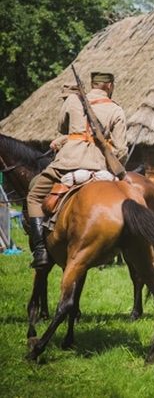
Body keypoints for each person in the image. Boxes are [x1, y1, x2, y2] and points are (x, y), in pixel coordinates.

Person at [26, 71, 127, 268]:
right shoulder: (117, 110)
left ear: (92, 84)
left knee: (34, 196)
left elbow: (63, 127)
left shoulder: (73, 100)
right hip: (99, 166)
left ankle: (40, 251)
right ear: (110, 86)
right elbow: (121, 150)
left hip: (68, 163)